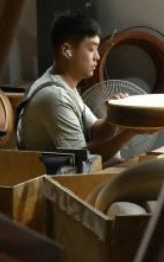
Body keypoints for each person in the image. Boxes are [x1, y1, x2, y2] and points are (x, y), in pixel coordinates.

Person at [17, 10, 136, 162]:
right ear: (67, 51)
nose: (97, 57)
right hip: (62, 182)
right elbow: (83, 158)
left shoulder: (65, 85)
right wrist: (131, 132)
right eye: (91, 49)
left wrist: (115, 115)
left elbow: (95, 131)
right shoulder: (55, 96)